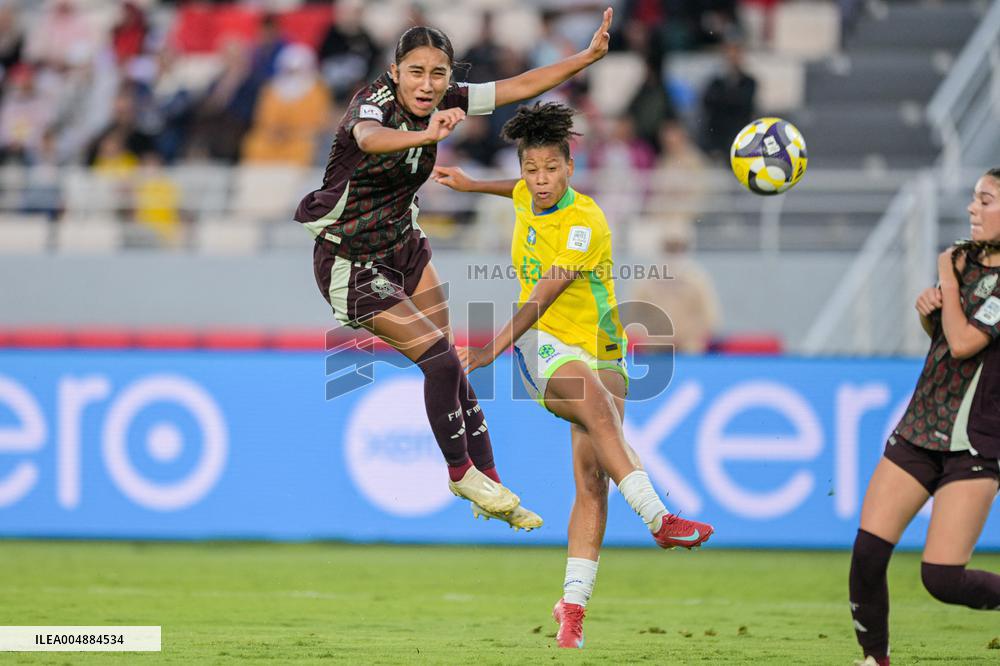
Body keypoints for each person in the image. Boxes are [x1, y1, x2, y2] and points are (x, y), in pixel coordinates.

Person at [294, 9, 618, 529]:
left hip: (403, 244)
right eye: (416, 72)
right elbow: (371, 140)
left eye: (439, 73)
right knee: (442, 360)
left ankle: (487, 480)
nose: (428, 84)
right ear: (395, 71)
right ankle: (459, 470)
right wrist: (426, 136)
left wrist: (585, 57)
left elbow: (519, 86)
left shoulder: (446, 99)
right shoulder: (370, 106)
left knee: (455, 364)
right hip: (348, 260)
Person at [432, 102, 715, 650]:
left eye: (550, 169)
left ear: (570, 167)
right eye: (530, 169)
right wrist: (469, 185)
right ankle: (659, 519)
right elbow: (512, 205)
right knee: (601, 415)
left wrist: (490, 349)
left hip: (605, 349)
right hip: (544, 345)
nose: (539, 180)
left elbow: (548, 290)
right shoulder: (522, 193)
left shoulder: (585, 221)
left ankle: (572, 608)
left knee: (592, 481)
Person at [848, 169, 1000, 666]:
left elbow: (965, 343)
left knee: (943, 579)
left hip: (975, 444)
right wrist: (928, 310)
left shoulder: (956, 265)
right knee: (868, 556)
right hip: (920, 429)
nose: (973, 209)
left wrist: (947, 283)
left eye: (986, 200)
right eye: (975, 199)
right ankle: (875, 660)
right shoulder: (962, 259)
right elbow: (944, 334)